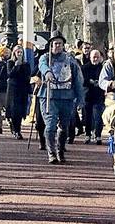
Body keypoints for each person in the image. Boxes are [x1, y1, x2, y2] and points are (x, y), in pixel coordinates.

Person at [36, 31, 84, 164]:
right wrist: (47, 72)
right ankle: (51, 152)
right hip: (49, 97)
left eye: (60, 44)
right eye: (55, 43)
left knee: (64, 126)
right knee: (50, 126)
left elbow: (78, 80)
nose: (57, 46)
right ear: (51, 45)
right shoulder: (45, 57)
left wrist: (80, 99)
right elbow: (42, 65)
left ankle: (60, 149)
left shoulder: (70, 60)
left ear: (63, 45)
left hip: (67, 97)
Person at [81, 47, 107, 143]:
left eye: (97, 57)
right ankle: (87, 135)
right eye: (93, 57)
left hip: (99, 95)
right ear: (90, 57)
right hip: (88, 95)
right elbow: (81, 80)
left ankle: (98, 136)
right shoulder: (84, 67)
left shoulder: (103, 68)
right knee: (87, 116)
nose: (95, 59)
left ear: (100, 58)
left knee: (98, 116)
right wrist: (89, 81)